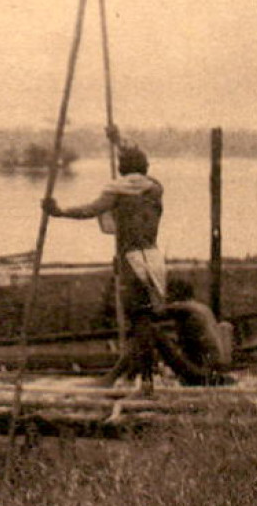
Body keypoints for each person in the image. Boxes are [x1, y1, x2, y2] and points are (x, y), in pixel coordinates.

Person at [43, 126, 166, 396]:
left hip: (133, 261)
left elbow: (90, 210)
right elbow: (135, 161)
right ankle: (141, 376)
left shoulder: (117, 192)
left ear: (121, 168)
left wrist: (60, 211)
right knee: (144, 319)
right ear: (145, 167)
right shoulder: (155, 188)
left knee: (140, 321)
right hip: (154, 258)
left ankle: (145, 380)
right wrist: (119, 140)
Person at [155, 279, 236, 386]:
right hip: (217, 370)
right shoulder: (203, 308)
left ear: (176, 294)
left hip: (201, 373)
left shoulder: (184, 307)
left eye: (168, 294)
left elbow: (155, 314)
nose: (166, 298)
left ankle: (138, 375)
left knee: (153, 333)